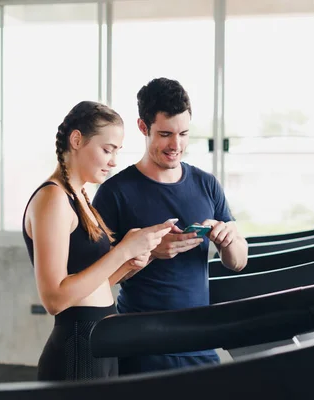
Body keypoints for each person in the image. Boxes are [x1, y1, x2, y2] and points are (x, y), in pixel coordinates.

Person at [92, 78, 249, 375]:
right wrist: (149, 252)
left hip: (198, 342)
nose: (176, 145)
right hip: (139, 345)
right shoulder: (115, 193)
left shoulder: (206, 184)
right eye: (165, 134)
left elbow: (239, 262)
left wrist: (229, 242)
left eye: (184, 133)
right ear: (143, 127)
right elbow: (96, 282)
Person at [21, 100, 173, 381]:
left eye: (117, 152)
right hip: (76, 348)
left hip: (99, 342)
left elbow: (93, 286)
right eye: (107, 150)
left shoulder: (80, 198)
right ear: (77, 140)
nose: (114, 161)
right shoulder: (52, 199)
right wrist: (123, 250)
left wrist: (135, 260)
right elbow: (55, 299)